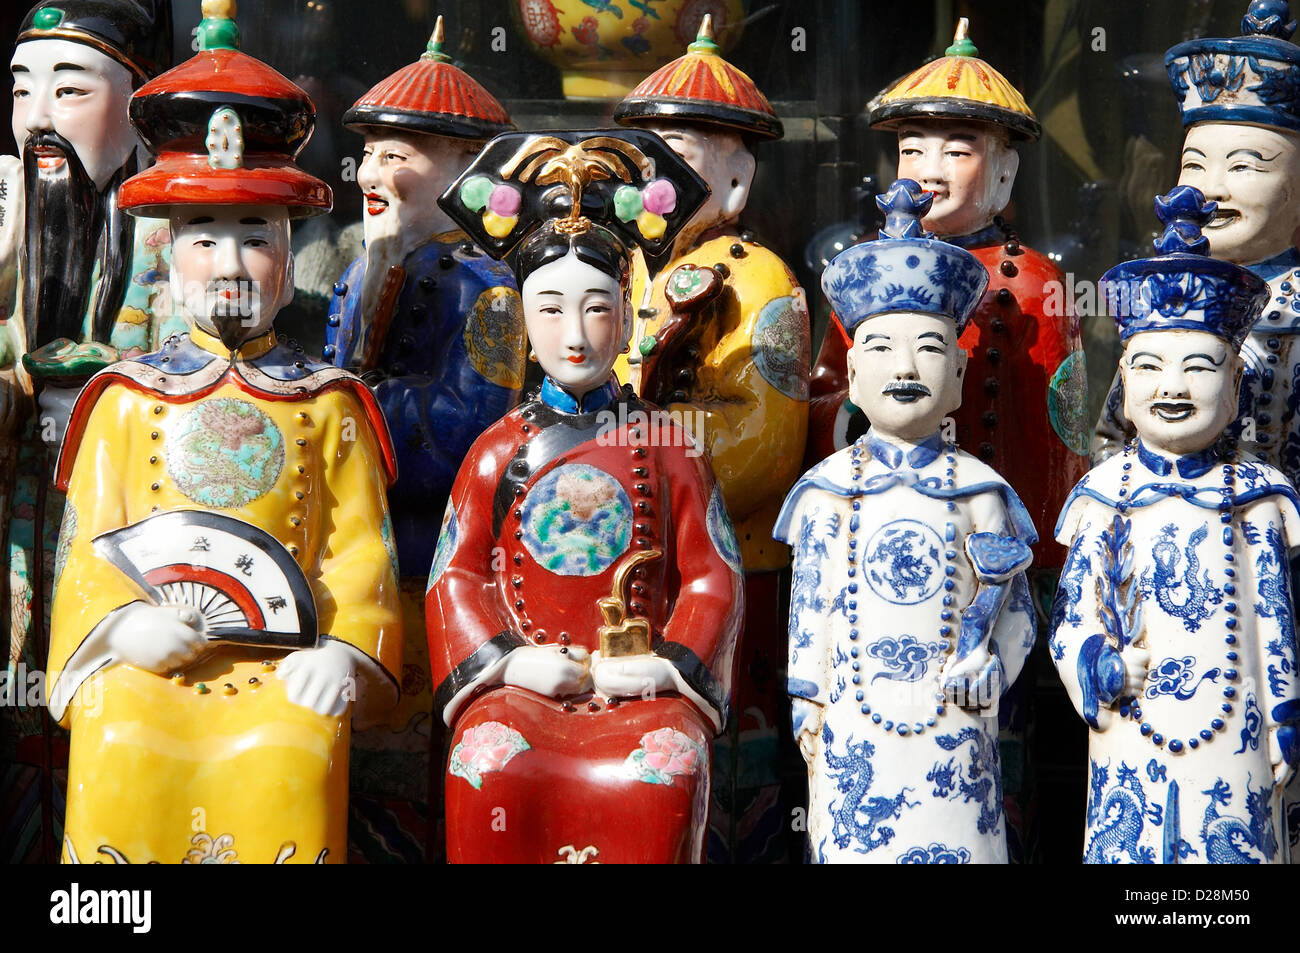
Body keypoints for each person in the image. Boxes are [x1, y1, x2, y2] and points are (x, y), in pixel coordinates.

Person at [45, 1, 401, 864]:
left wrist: (347, 650)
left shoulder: (330, 403)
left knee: (294, 747)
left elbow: (360, 552)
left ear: (288, 257)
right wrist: (121, 627)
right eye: (205, 238)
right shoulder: (127, 398)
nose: (232, 265)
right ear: (169, 260)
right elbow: (88, 544)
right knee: (116, 729)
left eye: (256, 237)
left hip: (288, 668)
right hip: (154, 660)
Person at [808, 18, 1088, 861]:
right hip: (883, 534)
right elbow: (830, 393)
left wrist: (1042, 546)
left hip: (995, 547)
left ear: (1004, 172)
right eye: (912, 149)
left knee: (998, 727)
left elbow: (1061, 427)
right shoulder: (859, 275)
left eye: (956, 147)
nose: (928, 169)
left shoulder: (1034, 281)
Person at [428, 128, 742, 863]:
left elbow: (711, 573)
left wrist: (666, 663)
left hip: (640, 688)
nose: (575, 334)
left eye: (598, 308)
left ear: (629, 317)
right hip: (526, 682)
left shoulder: (671, 446)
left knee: (665, 768)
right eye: (551, 311)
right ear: (522, 324)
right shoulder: (498, 448)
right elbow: (456, 575)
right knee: (490, 759)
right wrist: (505, 661)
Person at [776, 179, 1038, 863]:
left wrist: (993, 663)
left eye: (927, 348)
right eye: (883, 350)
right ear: (854, 376)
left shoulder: (980, 491)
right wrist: (806, 694)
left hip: (953, 728)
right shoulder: (827, 491)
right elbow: (809, 601)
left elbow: (1019, 610)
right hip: (853, 724)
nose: (906, 366)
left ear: (956, 372)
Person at [322, 16, 523, 863]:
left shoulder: (487, 288)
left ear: (467, 171)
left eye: (402, 154)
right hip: (358, 555)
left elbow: (464, 434)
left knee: (423, 775)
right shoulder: (359, 264)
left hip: (434, 554)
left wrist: (356, 412)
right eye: (370, 151)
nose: (375, 173)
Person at [612, 14, 810, 862]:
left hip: (729, 566)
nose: (658, 173)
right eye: (647, 152)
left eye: (684, 151)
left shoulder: (758, 278)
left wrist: (625, 440)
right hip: (622, 559)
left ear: (736, 178)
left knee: (726, 772)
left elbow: (761, 445)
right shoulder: (613, 269)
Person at [1053, 186, 1299, 864]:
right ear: (1123, 387)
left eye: (1199, 366)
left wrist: (1284, 714)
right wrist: (1097, 663)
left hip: (1234, 732)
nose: (1173, 386)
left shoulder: (1259, 496)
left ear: (1237, 390)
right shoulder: (1103, 495)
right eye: (1150, 366)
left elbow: (1274, 619)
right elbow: (1071, 614)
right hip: (1132, 728)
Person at [0, 0, 176, 865]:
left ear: (134, 106)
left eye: (68, 91)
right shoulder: (5, 228)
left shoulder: (173, 239)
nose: (37, 118)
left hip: (121, 536)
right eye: (21, 89)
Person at [1092, 0, 1300, 483]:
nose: (1209, 190)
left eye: (1244, 165)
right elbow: (1113, 436)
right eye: (1195, 164)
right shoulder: (1161, 296)